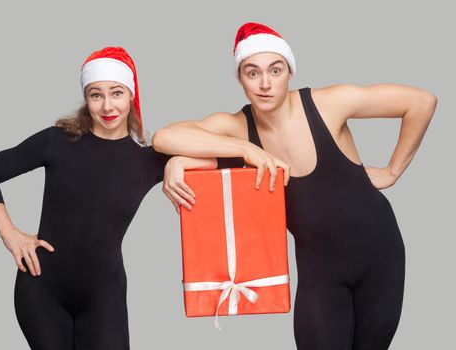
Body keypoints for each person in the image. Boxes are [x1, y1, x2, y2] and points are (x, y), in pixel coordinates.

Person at [153, 22, 437, 349]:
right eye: (252, 72)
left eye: (275, 71)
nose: (264, 83)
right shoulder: (237, 127)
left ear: (289, 71)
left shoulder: (329, 104)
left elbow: (421, 102)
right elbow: (165, 138)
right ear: (239, 78)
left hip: (381, 255)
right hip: (320, 272)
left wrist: (392, 171)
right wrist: (244, 150)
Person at [0, 46, 208, 350]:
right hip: (43, 290)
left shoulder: (147, 161)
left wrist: (178, 162)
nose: (107, 105)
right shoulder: (57, 141)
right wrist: (11, 235)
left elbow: (223, 161)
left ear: (132, 95)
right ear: (87, 99)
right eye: (96, 95)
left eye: (117, 93)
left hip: (104, 295)